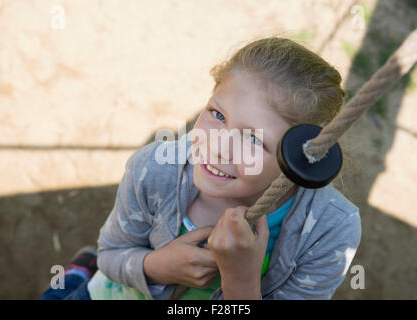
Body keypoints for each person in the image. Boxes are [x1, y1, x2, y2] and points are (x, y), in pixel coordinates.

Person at [40, 36, 361, 300]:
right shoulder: (154, 169)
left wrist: (241, 282)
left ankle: (78, 270)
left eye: (252, 139)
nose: (216, 146)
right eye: (217, 115)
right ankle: (79, 274)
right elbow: (111, 256)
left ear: (302, 158)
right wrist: (155, 266)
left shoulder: (330, 230)